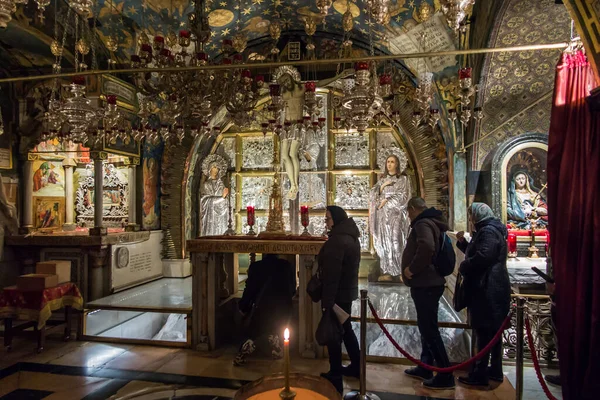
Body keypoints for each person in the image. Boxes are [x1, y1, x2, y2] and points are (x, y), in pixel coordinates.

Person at [401, 197, 455, 390]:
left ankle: (445, 373)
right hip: (429, 282)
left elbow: (427, 247)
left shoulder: (423, 223)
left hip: (426, 283)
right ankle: (426, 365)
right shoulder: (432, 222)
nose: (408, 216)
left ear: (414, 209)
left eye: (408, 212)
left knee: (429, 328)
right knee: (426, 326)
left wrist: (411, 269)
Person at [456, 203, 511, 387]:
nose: (470, 218)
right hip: (491, 288)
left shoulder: (487, 231)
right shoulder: (490, 230)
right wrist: (464, 245)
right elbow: (481, 252)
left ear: (478, 215)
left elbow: (484, 256)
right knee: (492, 333)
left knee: (484, 332)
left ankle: (479, 374)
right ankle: (494, 370)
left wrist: (465, 266)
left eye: (471, 214)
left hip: (487, 289)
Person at [319, 205, 361, 394]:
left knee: (334, 335)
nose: (326, 222)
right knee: (346, 329)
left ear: (336, 218)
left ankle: (336, 374)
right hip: (346, 292)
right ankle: (357, 366)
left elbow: (332, 275)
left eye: (327, 219)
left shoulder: (337, 241)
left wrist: (328, 301)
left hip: (337, 295)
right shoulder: (349, 236)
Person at [234, 254, 296, 366]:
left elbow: (249, 293)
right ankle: (274, 339)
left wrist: (242, 307)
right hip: (283, 313)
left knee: (251, 326)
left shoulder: (256, 267)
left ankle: (249, 343)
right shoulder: (286, 266)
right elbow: (292, 291)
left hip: (261, 312)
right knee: (275, 324)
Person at [369, 152, 412, 282]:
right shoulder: (382, 180)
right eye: (388, 162)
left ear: (398, 164)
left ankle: (400, 271)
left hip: (397, 215)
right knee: (384, 243)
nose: (389, 164)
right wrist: (382, 187)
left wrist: (387, 201)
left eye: (392, 162)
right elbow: (373, 195)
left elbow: (404, 197)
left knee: (397, 241)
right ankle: (386, 271)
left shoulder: (403, 180)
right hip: (383, 217)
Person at [199, 154, 229, 236]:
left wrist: (225, 199)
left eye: (217, 168)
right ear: (209, 170)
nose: (215, 170)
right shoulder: (206, 185)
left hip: (220, 217)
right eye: (214, 168)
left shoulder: (221, 185)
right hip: (210, 216)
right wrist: (221, 198)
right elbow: (205, 200)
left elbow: (226, 201)